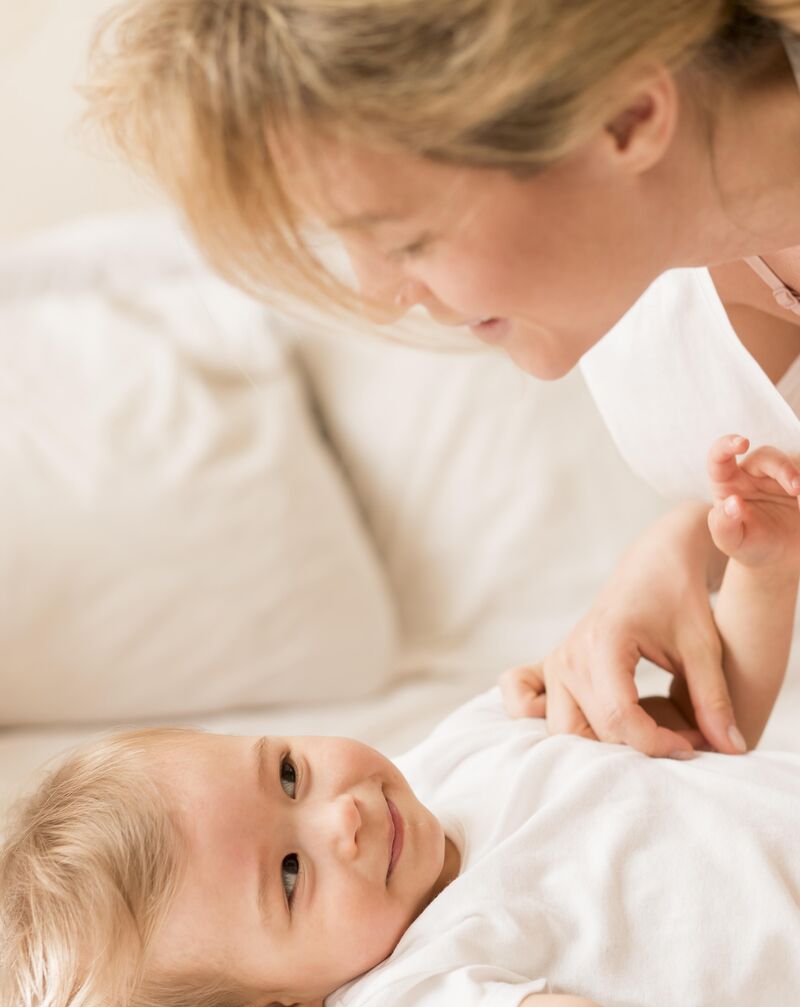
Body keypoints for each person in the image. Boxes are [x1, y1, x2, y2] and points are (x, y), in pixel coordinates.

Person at [2, 433, 799, 1007]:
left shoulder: (459, 748)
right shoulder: (401, 990)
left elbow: (701, 733)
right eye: (289, 875)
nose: (339, 819)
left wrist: (761, 570)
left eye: (288, 774)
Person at [83, 1, 800, 761]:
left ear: (626, 118)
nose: (378, 291)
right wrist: (690, 543)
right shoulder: (649, 312)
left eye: (405, 239)